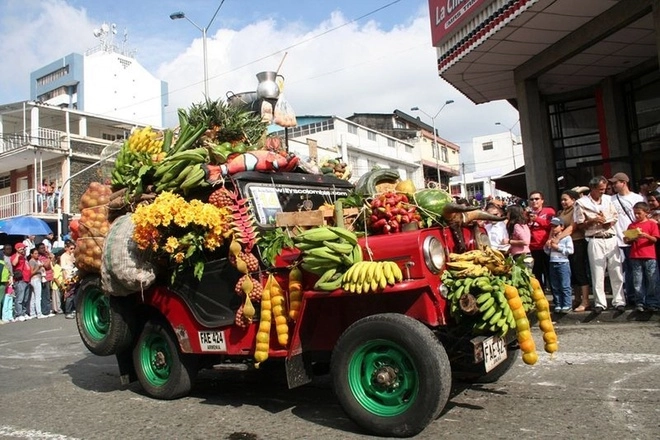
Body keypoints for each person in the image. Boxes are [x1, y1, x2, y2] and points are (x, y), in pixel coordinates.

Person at [574, 176, 625, 313]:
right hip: (595, 238)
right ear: (593, 189)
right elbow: (579, 224)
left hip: (610, 236)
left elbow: (615, 216)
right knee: (597, 272)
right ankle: (600, 303)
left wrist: (609, 222)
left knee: (616, 270)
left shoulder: (609, 200)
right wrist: (592, 221)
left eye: (604, 189)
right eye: (600, 189)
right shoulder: (581, 203)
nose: (603, 192)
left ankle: (619, 300)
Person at [609, 172, 644, 306]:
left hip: (633, 238)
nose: (614, 185)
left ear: (623, 183)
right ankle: (628, 296)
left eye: (616, 182)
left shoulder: (637, 198)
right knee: (621, 270)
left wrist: (634, 236)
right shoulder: (611, 199)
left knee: (635, 270)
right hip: (617, 239)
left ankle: (638, 296)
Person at [556, 190, 591, 311]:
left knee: (580, 271)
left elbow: (572, 227)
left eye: (566, 199)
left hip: (577, 242)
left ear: (573, 200)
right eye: (562, 200)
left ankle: (585, 300)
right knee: (573, 273)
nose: (563, 202)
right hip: (567, 244)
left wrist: (557, 238)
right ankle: (577, 298)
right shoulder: (563, 212)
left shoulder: (576, 210)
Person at [623, 201, 660, 312]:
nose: (637, 216)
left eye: (639, 213)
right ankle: (640, 301)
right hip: (635, 255)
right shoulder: (632, 225)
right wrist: (630, 238)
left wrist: (646, 236)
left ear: (646, 212)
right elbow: (626, 240)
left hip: (649, 255)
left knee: (652, 280)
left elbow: (655, 239)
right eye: (635, 213)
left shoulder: (651, 224)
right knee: (637, 280)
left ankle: (653, 302)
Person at [544, 217, 574, 313]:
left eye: (556, 226)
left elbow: (570, 251)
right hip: (553, 262)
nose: (554, 229)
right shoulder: (551, 238)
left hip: (563, 263)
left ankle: (567, 304)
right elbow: (548, 252)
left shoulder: (566, 238)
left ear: (562, 227)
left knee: (565, 285)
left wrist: (558, 247)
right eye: (552, 227)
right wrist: (547, 246)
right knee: (555, 285)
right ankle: (558, 303)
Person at [527, 191, 555, 289]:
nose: (534, 201)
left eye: (537, 199)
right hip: (533, 248)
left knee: (551, 274)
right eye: (531, 199)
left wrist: (537, 219)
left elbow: (552, 226)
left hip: (546, 247)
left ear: (542, 200)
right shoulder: (526, 214)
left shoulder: (549, 211)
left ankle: (557, 300)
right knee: (537, 274)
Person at [28, 247, 47, 319]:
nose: (37, 255)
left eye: (37, 253)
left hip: (37, 279)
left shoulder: (36, 260)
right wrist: (38, 267)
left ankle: (32, 313)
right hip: (35, 279)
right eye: (35, 253)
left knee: (33, 297)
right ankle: (39, 313)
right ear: (31, 254)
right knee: (38, 297)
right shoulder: (32, 261)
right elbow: (32, 272)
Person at [37, 242, 54, 317]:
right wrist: (49, 259)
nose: (43, 249)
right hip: (44, 278)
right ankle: (45, 311)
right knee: (45, 295)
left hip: (50, 277)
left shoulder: (46, 255)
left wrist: (48, 252)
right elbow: (46, 266)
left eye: (44, 248)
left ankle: (48, 309)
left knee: (49, 295)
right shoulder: (39, 257)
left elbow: (53, 257)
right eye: (41, 248)